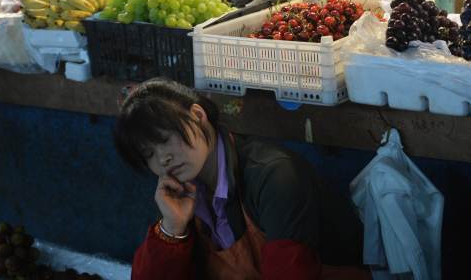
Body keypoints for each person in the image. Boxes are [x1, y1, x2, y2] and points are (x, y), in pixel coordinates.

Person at [115, 78, 369, 280]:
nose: (163, 159)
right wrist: (172, 227)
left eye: (165, 140)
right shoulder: (184, 194)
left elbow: (290, 271)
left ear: (197, 116)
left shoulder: (274, 175)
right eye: (149, 153)